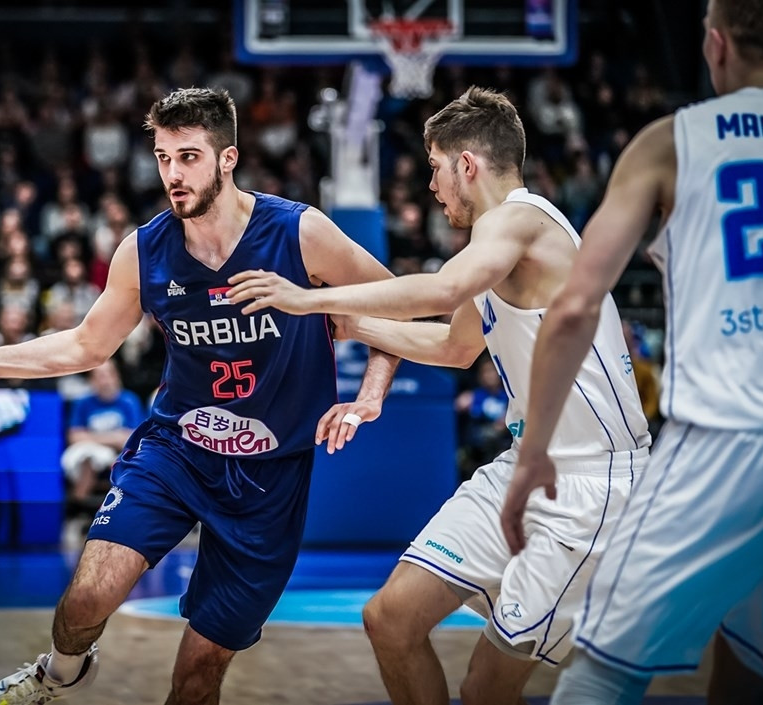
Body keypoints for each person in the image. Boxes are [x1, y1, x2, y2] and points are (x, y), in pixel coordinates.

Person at [0, 86, 397, 705]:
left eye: (189, 157)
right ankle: (56, 677)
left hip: (270, 476)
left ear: (227, 158)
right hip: (177, 450)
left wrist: (369, 396)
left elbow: (398, 305)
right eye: (163, 157)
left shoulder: (299, 232)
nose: (173, 174)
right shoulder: (144, 250)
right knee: (86, 597)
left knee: (197, 677)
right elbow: (85, 345)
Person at [227, 86, 651, 705]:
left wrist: (308, 298)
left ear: (467, 164)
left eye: (435, 168)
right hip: (523, 468)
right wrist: (354, 327)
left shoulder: (522, 219)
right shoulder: (493, 249)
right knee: (391, 619)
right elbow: (456, 348)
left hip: (591, 486)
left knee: (486, 690)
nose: (430, 185)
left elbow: (442, 290)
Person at [499, 2, 763, 703]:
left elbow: (575, 306)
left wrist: (532, 453)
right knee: (750, 679)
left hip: (723, 441)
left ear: (715, 45)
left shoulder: (671, 142)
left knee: (601, 673)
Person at [61, 359, 144, 504]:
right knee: (87, 457)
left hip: (121, 452)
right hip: (90, 451)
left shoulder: (129, 400)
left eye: (108, 374)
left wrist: (91, 437)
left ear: (116, 376)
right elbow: (74, 437)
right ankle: (78, 505)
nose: (105, 380)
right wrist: (115, 437)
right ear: (92, 380)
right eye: (99, 376)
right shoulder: (83, 402)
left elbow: (132, 438)